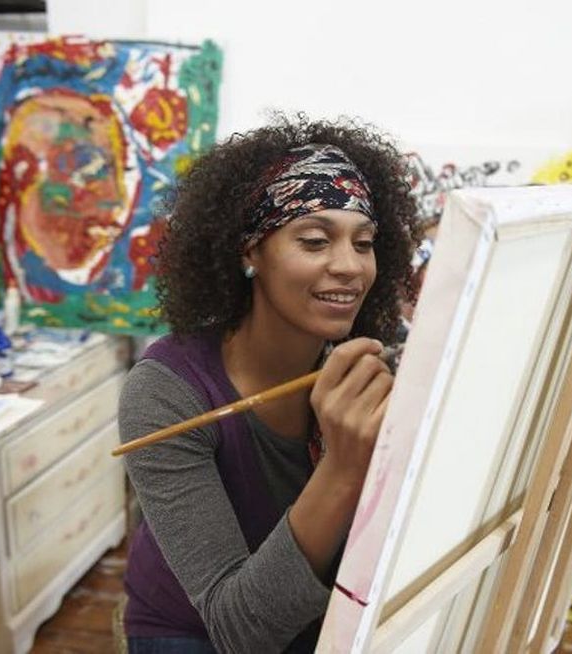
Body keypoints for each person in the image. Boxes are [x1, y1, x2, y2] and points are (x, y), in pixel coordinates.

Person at [118, 115, 420, 653]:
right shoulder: (167, 392)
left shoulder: (364, 370)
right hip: (195, 633)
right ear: (249, 252)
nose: (349, 266)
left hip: (321, 621)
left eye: (365, 242)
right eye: (314, 240)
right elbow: (238, 630)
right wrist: (344, 466)